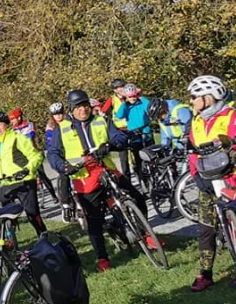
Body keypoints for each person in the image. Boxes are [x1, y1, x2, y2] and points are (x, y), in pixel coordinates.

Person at [48, 90, 150, 272]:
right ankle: (102, 257)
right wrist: (63, 167)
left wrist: (109, 145)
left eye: (85, 106)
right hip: (84, 177)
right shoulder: (61, 128)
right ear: (71, 109)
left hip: (106, 168)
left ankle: (147, 234)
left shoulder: (101, 120)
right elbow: (53, 153)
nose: (82, 110)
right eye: (78, 108)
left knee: (137, 197)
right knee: (93, 220)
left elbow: (120, 136)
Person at [185, 76, 236, 291]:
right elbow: (192, 151)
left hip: (231, 177)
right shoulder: (196, 120)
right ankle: (205, 273)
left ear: (208, 98)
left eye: (194, 97)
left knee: (235, 225)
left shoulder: (231, 115)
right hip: (206, 178)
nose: (191, 101)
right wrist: (196, 176)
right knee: (206, 228)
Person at [0, 112, 47, 238]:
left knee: (32, 214)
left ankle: (43, 236)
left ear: (7, 125)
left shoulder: (18, 138)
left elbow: (37, 156)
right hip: (8, 184)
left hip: (24, 182)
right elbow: (2, 166)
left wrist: (27, 170)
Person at [9, 107, 57, 203]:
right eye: (10, 120)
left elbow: (30, 137)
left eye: (13, 119)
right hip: (22, 157)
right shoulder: (12, 130)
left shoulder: (29, 125)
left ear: (19, 118)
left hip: (33, 154)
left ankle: (53, 195)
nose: (11, 122)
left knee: (42, 175)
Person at [115, 83, 154, 181]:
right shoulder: (126, 106)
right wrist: (124, 102)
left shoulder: (141, 103)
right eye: (130, 97)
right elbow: (119, 116)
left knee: (151, 154)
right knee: (138, 156)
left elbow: (149, 106)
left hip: (145, 131)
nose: (132, 98)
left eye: (134, 96)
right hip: (134, 134)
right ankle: (142, 177)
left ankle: (154, 173)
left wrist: (141, 96)